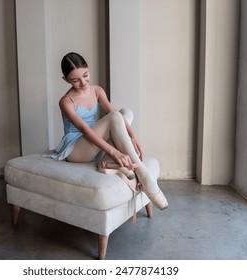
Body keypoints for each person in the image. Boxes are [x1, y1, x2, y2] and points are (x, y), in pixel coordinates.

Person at [49, 52, 168, 210]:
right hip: (76, 149)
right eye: (75, 80)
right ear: (66, 80)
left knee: (126, 113)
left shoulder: (97, 90)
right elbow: (85, 130)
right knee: (114, 117)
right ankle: (143, 174)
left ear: (88, 69)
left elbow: (116, 113)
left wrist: (134, 136)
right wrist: (114, 152)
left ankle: (106, 163)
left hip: (95, 145)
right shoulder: (66, 101)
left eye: (85, 75)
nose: (83, 83)